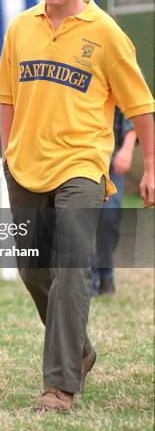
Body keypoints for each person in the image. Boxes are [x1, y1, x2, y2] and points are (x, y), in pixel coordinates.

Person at [0, 0, 154, 412]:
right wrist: (8, 155)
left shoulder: (105, 33)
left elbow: (141, 106)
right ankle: (79, 349)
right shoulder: (21, 28)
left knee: (70, 266)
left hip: (82, 165)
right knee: (33, 270)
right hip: (25, 166)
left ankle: (59, 385)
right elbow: (6, 96)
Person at [92, 107, 136, 295]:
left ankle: (106, 273)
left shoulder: (121, 76)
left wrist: (127, 150)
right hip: (79, 158)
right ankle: (90, 282)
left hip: (110, 158)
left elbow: (134, 111)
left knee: (109, 216)